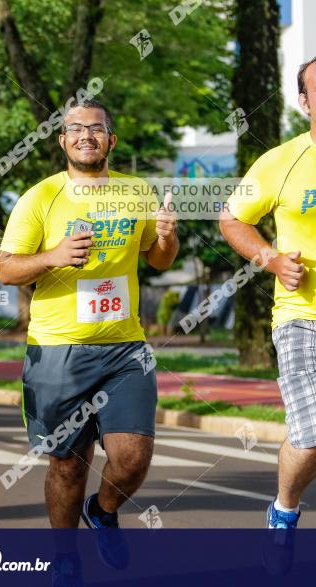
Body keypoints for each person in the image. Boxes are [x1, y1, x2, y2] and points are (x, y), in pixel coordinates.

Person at [0, 100, 177, 569]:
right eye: (75, 129)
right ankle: (65, 559)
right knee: (68, 464)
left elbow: (158, 260)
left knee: (134, 457)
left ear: (111, 140)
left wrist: (166, 236)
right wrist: (52, 256)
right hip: (59, 350)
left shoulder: (138, 192)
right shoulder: (40, 198)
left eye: (95, 129)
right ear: (62, 141)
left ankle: (104, 510)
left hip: (125, 348)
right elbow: (6, 269)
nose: (85, 136)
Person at [220, 56, 316, 536]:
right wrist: (273, 260)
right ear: (304, 101)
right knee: (314, 434)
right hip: (302, 317)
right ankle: (284, 509)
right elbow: (232, 219)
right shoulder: (282, 161)